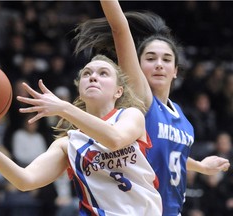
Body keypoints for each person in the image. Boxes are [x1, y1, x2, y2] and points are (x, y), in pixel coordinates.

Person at [0, 2, 162, 215]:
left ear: (118, 91)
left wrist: (64, 108)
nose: (93, 76)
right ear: (81, 91)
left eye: (103, 73)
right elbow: (24, 180)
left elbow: (114, 139)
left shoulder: (131, 115)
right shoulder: (68, 144)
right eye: (87, 74)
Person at [73, 1, 230, 215]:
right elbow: (120, 30)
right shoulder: (142, 101)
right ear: (137, 65)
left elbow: (166, 154)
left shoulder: (182, 116)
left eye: (166, 59)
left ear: (175, 70)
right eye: (150, 58)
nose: (159, 64)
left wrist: (200, 166)